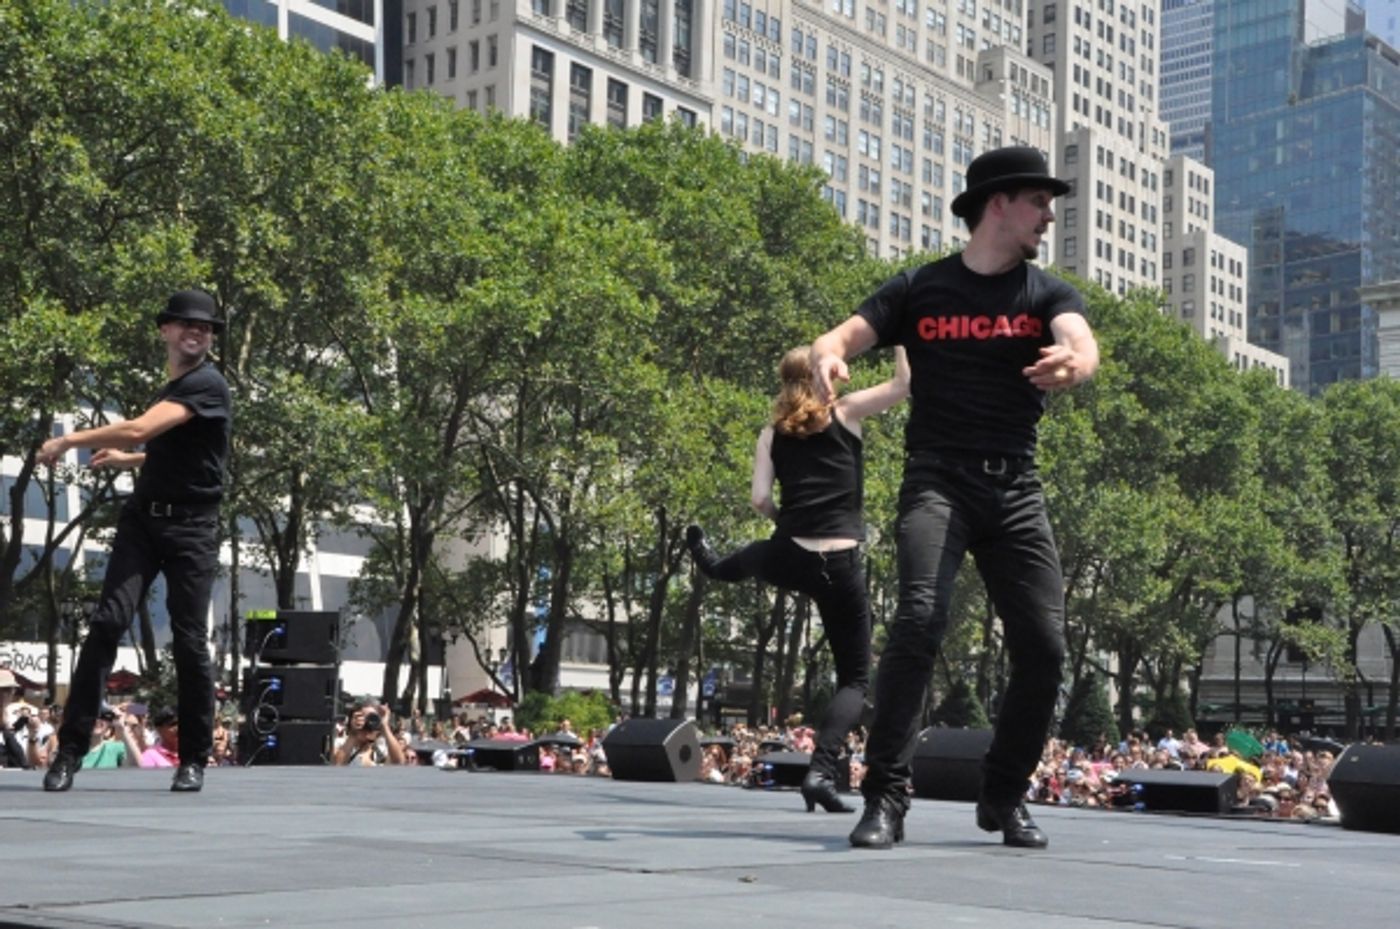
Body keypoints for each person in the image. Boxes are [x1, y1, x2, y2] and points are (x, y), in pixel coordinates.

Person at [810, 146, 1099, 849]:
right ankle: (885, 797)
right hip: (937, 479)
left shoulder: (1046, 294)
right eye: (1039, 201)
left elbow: (1081, 343)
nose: (1049, 215)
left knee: (1045, 647)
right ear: (998, 203)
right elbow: (842, 333)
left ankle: (1003, 794)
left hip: (1017, 489)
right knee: (918, 620)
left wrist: (1077, 362)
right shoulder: (920, 289)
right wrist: (828, 354)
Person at [687, 344, 909, 814]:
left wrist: (789, 516)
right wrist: (903, 334)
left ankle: (711, 565)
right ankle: (821, 771)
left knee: (750, 557)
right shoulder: (846, 413)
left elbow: (760, 501)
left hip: (792, 552)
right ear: (821, 376)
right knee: (854, 678)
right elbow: (902, 387)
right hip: (842, 562)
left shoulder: (772, 434)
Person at [36, 289, 231, 794]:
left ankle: (193, 759)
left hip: (193, 528)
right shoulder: (175, 388)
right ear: (165, 330)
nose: (197, 333)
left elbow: (143, 428)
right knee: (106, 625)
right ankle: (70, 752)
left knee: (190, 641)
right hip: (144, 520)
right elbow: (179, 452)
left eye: (205, 328)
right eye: (187, 325)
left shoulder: (208, 383)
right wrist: (131, 462)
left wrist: (68, 440)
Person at [332, 701, 407, 766]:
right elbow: (338, 766)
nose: (367, 724)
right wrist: (353, 734)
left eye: (372, 719)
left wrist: (384, 725)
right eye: (362, 718)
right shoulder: (341, 745)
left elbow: (399, 763)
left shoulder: (382, 749)